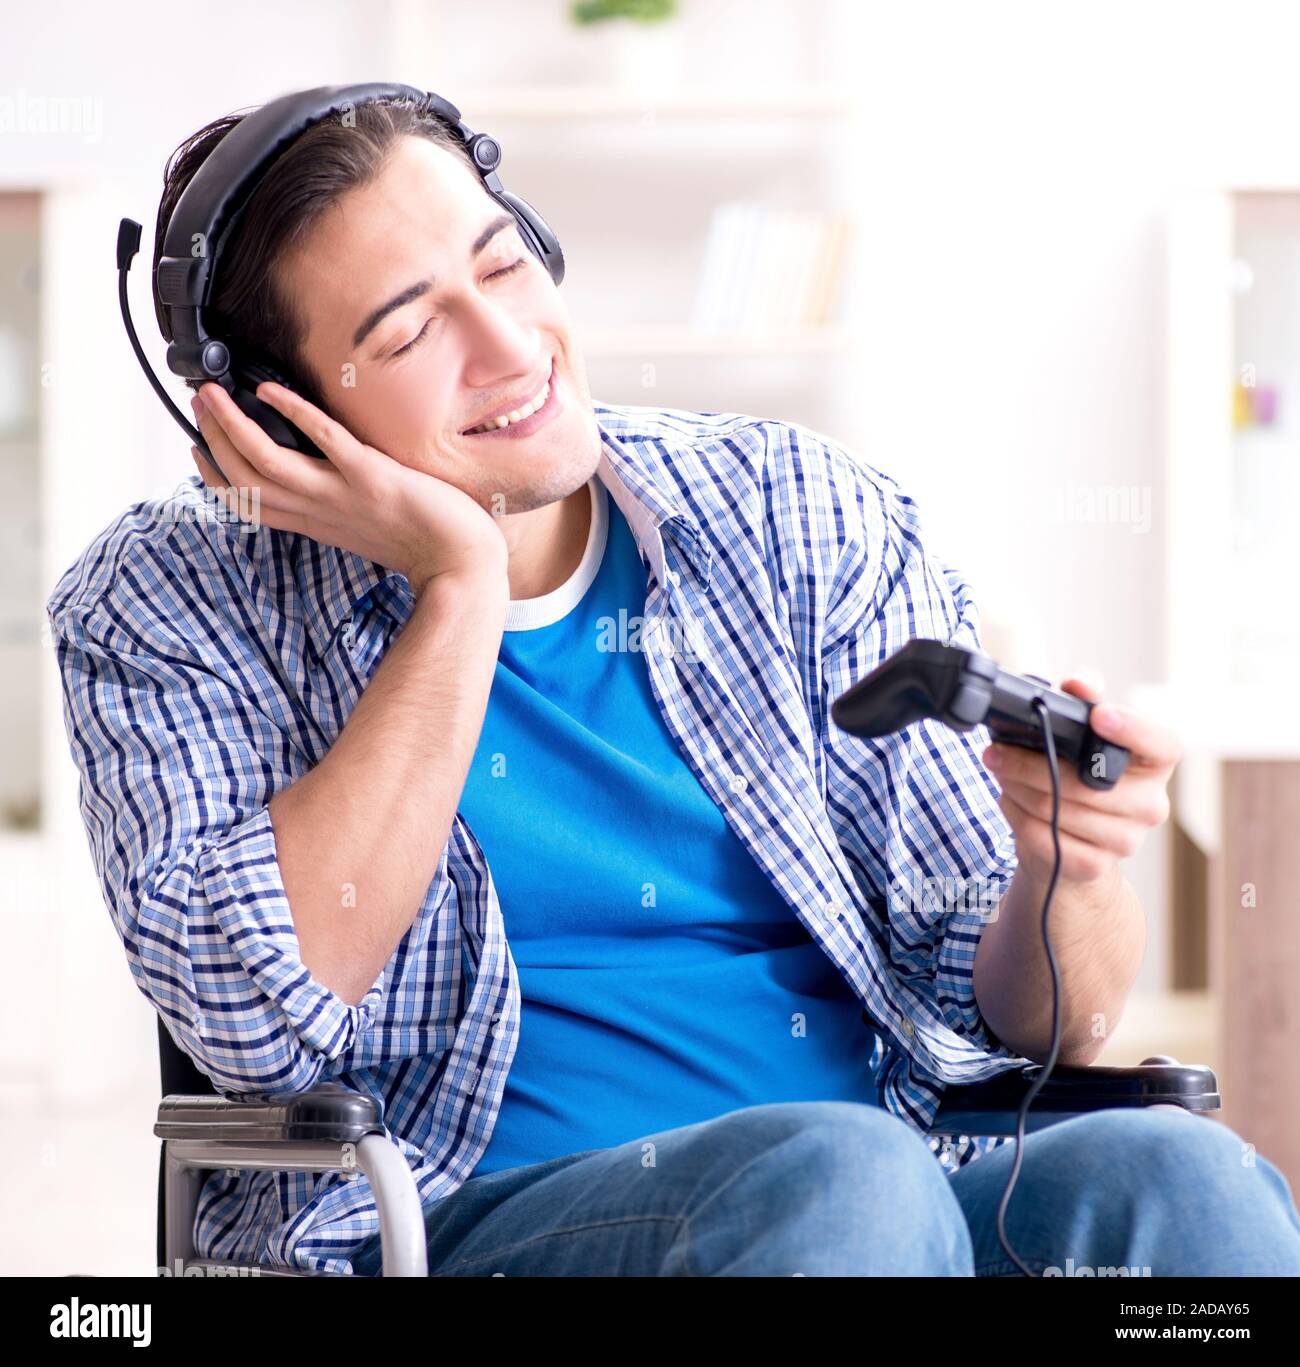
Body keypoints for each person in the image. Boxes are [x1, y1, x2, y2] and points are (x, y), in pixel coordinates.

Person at [47, 93, 1300, 1276]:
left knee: (1183, 1180)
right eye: (410, 329)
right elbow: (263, 1024)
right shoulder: (161, 600)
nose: (508, 346)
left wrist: (1063, 866)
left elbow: (1048, 1030)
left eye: (500, 266)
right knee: (838, 1172)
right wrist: (460, 589)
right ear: (271, 422)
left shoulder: (791, 507)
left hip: (890, 1197)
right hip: (468, 1220)